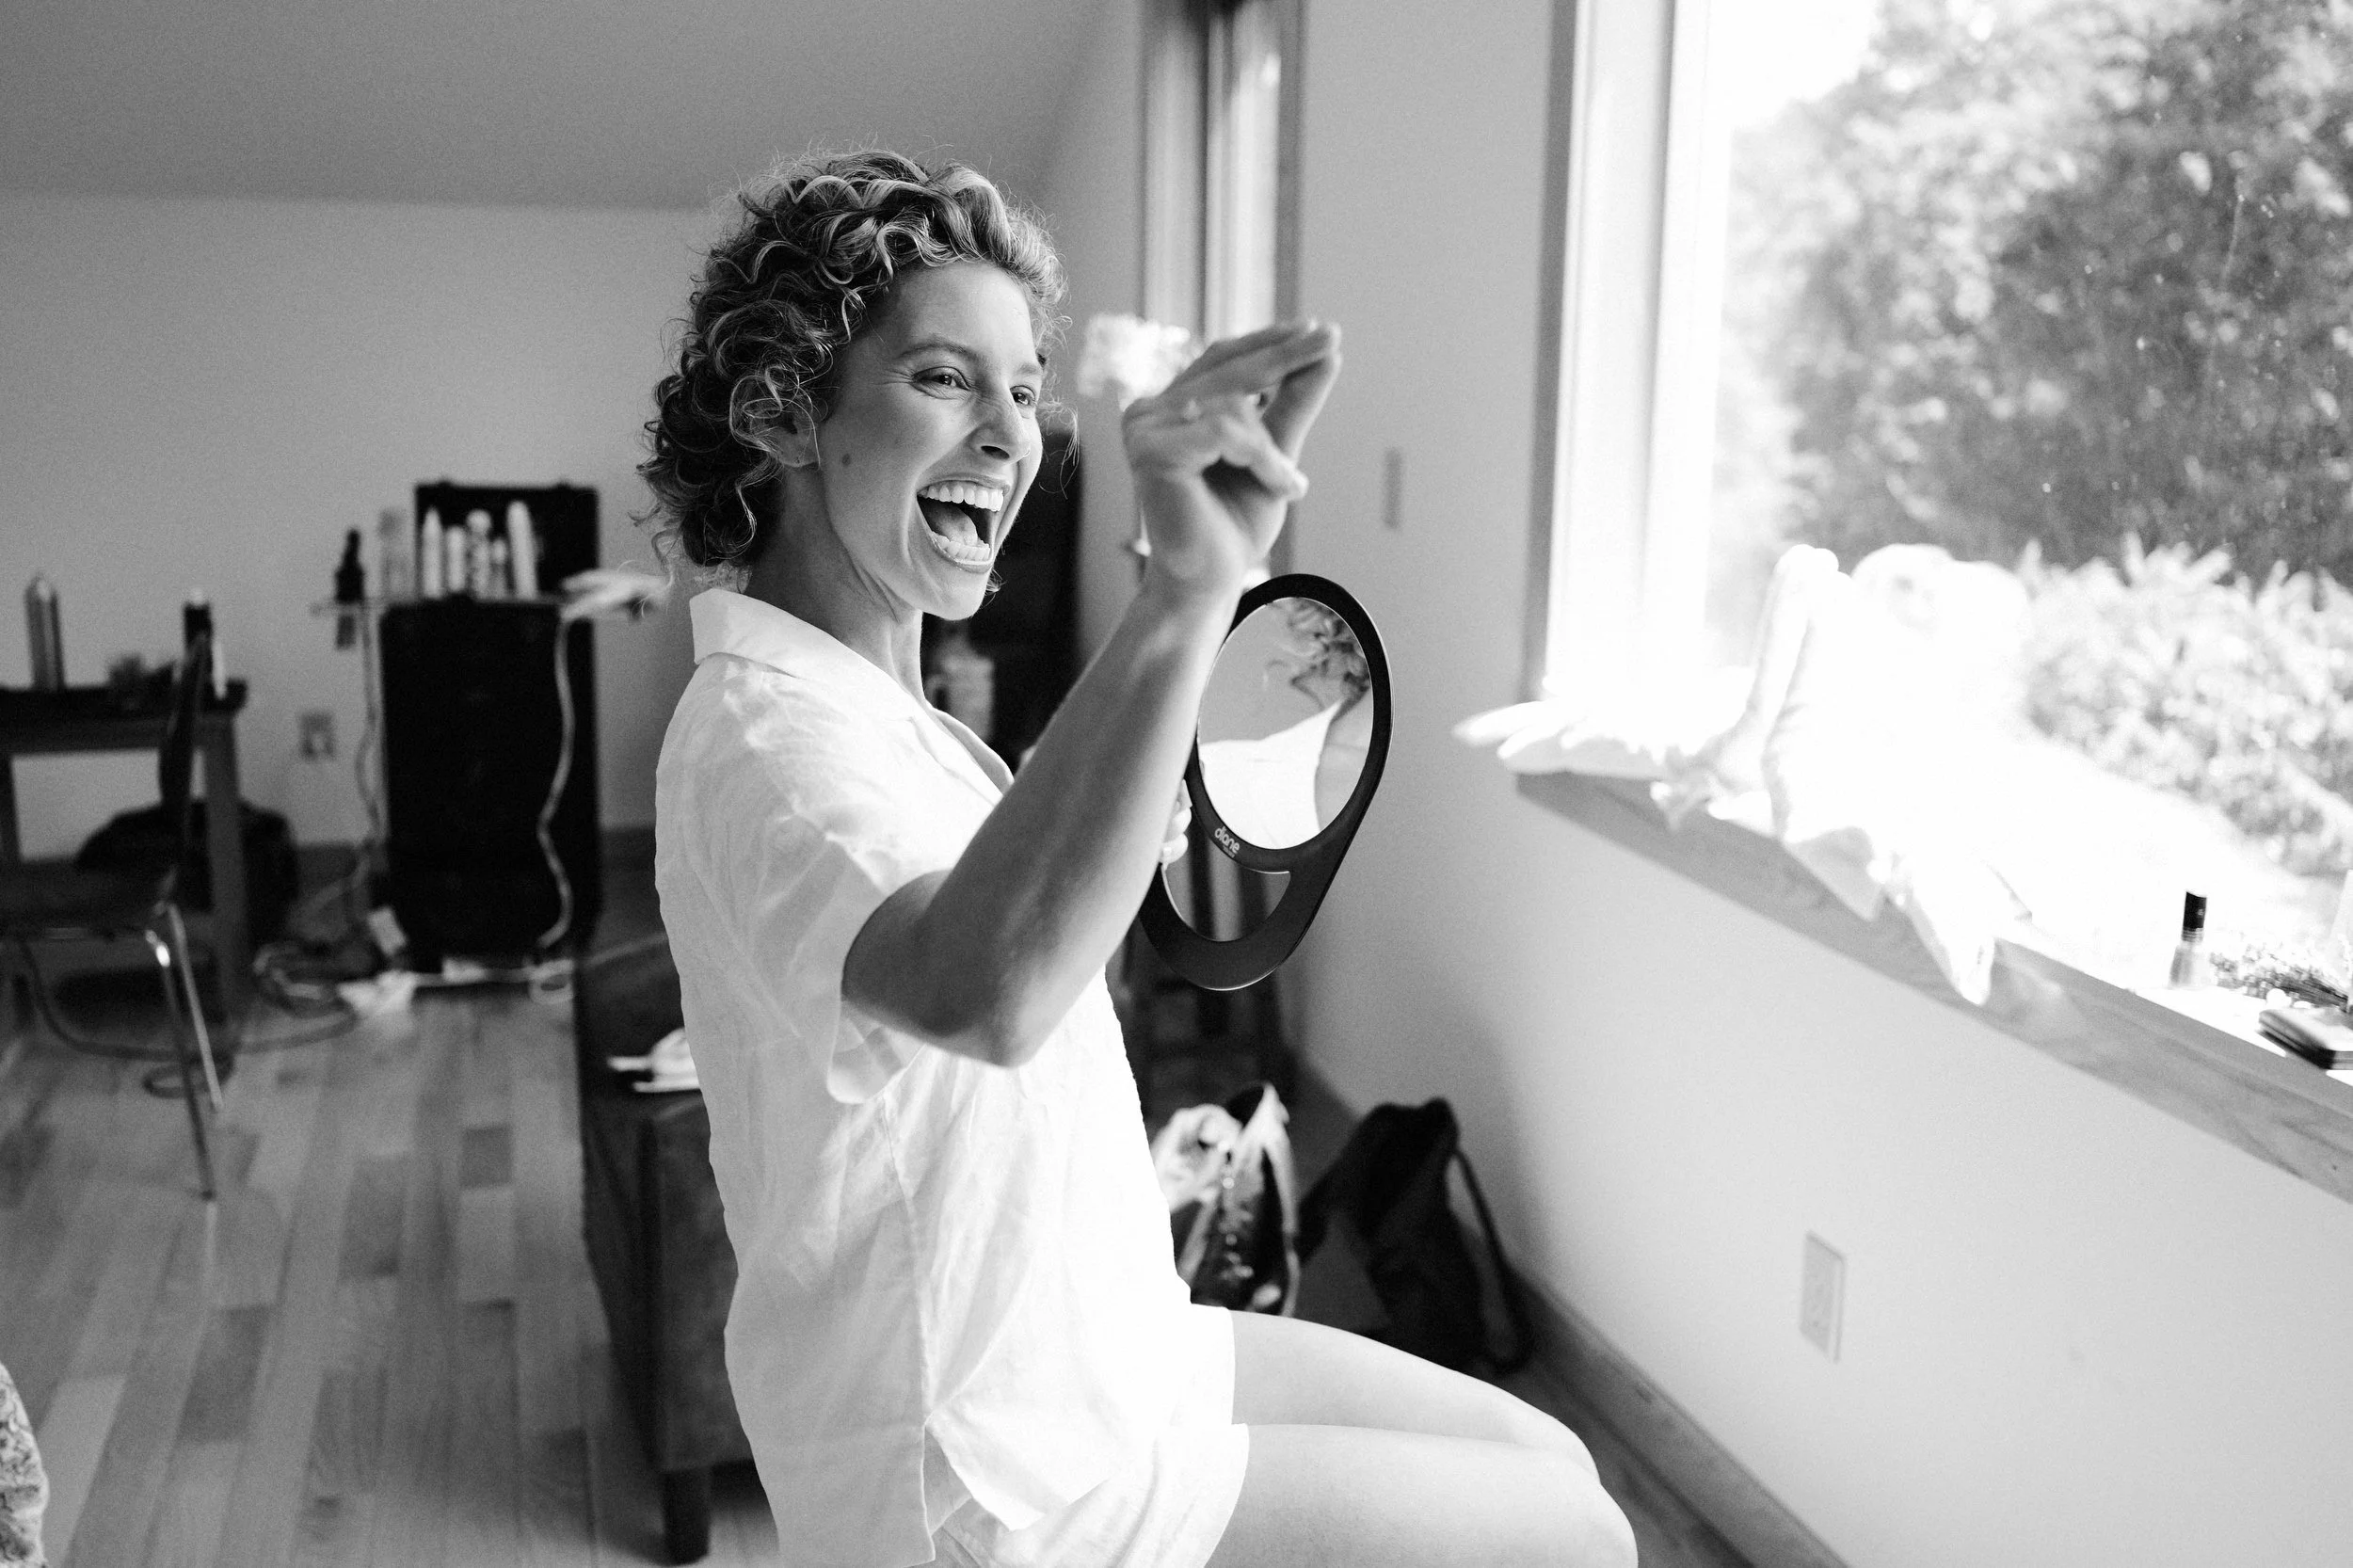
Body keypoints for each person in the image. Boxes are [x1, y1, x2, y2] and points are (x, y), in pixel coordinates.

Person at [644, 151, 1634, 1568]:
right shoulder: (762, 738)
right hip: (993, 1479)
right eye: (944, 378)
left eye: (1026, 387)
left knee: (1558, 1462)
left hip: (1101, 1342)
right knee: (1570, 1541)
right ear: (783, 410)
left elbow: (1020, 913)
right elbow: (988, 988)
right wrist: (1185, 590)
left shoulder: (882, 717)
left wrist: (1195, 612)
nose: (1012, 434)